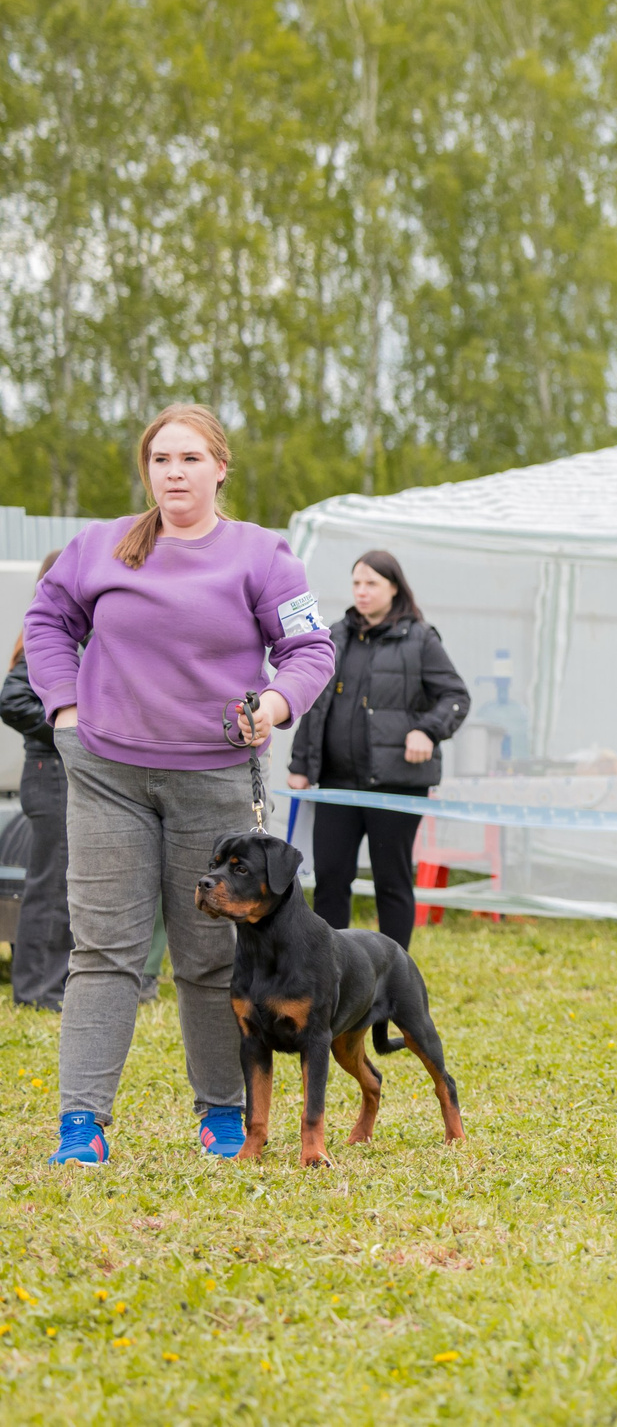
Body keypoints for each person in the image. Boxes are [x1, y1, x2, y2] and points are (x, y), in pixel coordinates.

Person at [22, 404, 335, 1164]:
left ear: (220, 467)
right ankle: (81, 1126)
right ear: (147, 469)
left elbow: (311, 648)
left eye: (190, 459)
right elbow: (45, 619)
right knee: (104, 951)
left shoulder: (265, 556)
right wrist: (63, 704)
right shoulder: (100, 546)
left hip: (215, 778)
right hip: (105, 773)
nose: (174, 473)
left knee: (206, 956)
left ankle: (224, 1117)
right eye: (161, 459)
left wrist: (275, 701)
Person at [286, 550, 470, 948]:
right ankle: (330, 974)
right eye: (356, 583)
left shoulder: (420, 639)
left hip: (397, 787)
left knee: (392, 881)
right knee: (331, 878)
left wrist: (427, 730)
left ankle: (394, 977)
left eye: (371, 583)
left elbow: (455, 697)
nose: (362, 591)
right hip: (336, 784)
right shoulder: (335, 635)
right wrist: (300, 763)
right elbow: (314, 704)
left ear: (394, 588)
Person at [3, 550, 70, 1009]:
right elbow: (11, 699)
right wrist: (68, 731)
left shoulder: (73, 633)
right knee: (49, 885)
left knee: (64, 883)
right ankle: (35, 990)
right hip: (50, 773)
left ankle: (51, 985)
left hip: (61, 773)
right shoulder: (44, 636)